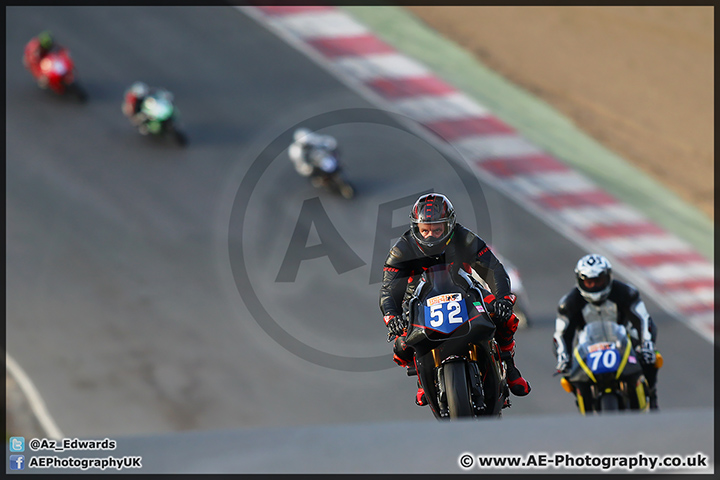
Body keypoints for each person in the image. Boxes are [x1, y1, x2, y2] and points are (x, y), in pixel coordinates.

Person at [380, 193, 531, 406]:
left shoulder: (464, 238)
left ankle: (509, 364)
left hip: (465, 290)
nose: (430, 236)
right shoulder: (401, 249)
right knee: (401, 345)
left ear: (449, 225)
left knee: (506, 317)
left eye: (437, 230)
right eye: (425, 230)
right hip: (419, 301)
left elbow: (493, 269)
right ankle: (423, 380)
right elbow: (389, 289)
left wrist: (503, 299)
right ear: (416, 227)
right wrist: (392, 316)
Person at [553, 253, 660, 410]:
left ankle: (650, 393)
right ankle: (584, 404)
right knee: (570, 377)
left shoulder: (627, 293)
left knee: (651, 359)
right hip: (588, 345)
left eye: (598, 281)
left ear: (608, 277)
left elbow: (643, 320)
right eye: (589, 282)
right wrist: (563, 358)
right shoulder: (568, 303)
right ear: (580, 281)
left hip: (624, 340)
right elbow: (561, 334)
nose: (594, 286)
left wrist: (646, 345)